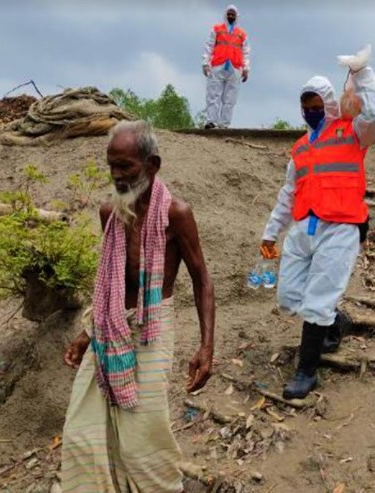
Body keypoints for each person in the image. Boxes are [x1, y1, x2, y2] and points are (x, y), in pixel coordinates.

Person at [60, 120, 216, 492]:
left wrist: (206, 347)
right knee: (81, 430)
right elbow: (111, 284)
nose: (117, 175)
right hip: (109, 328)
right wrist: (88, 333)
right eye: (112, 165)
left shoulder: (176, 213)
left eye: (125, 166)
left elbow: (202, 279)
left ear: (152, 164)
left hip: (152, 328)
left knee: (143, 433)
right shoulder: (109, 214)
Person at [260, 58, 375, 400]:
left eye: (317, 106)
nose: (311, 112)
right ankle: (335, 323)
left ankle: (306, 372)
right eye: (306, 107)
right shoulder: (300, 149)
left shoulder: (353, 132)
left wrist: (362, 73)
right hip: (305, 228)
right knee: (289, 298)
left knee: (317, 302)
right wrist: (271, 232)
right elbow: (288, 193)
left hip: (342, 227)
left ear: (329, 104)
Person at [202, 4, 250, 129]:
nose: (230, 16)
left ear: (236, 16)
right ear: (225, 14)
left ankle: (224, 124)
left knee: (230, 98)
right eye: (229, 13)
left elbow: (246, 52)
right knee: (213, 94)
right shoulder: (216, 29)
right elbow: (209, 46)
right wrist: (205, 63)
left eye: (232, 14)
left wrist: (246, 69)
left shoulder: (242, 34)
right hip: (217, 64)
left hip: (235, 67)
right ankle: (211, 121)